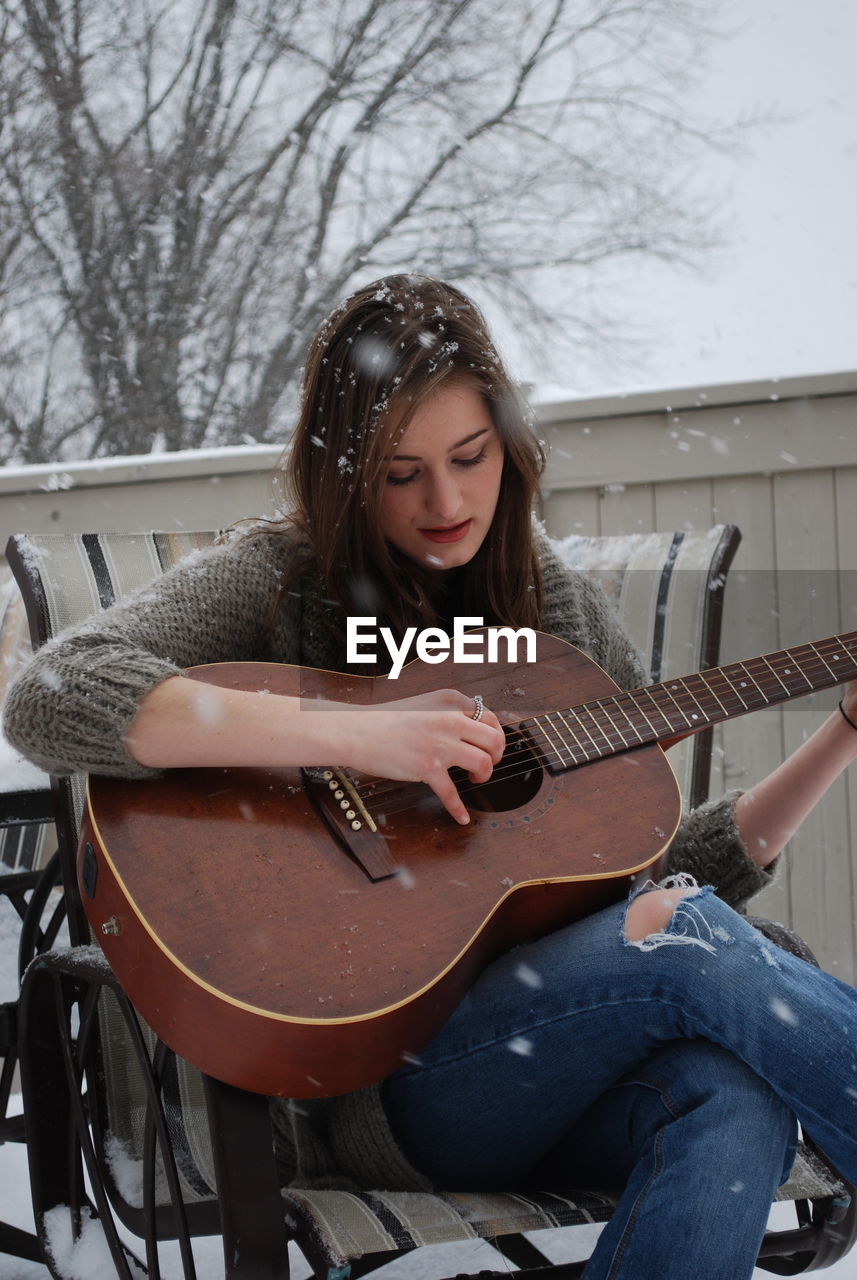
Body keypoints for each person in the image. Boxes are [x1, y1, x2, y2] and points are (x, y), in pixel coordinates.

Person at [6, 274, 857, 1280]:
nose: (445, 502)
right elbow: (52, 691)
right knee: (688, 937)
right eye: (400, 471)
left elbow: (651, 879)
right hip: (388, 1078)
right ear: (342, 472)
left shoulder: (561, 615)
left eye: (468, 458)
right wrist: (353, 735)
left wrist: (837, 734)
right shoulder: (285, 574)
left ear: (510, 450)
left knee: (730, 1092)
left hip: (566, 1060)